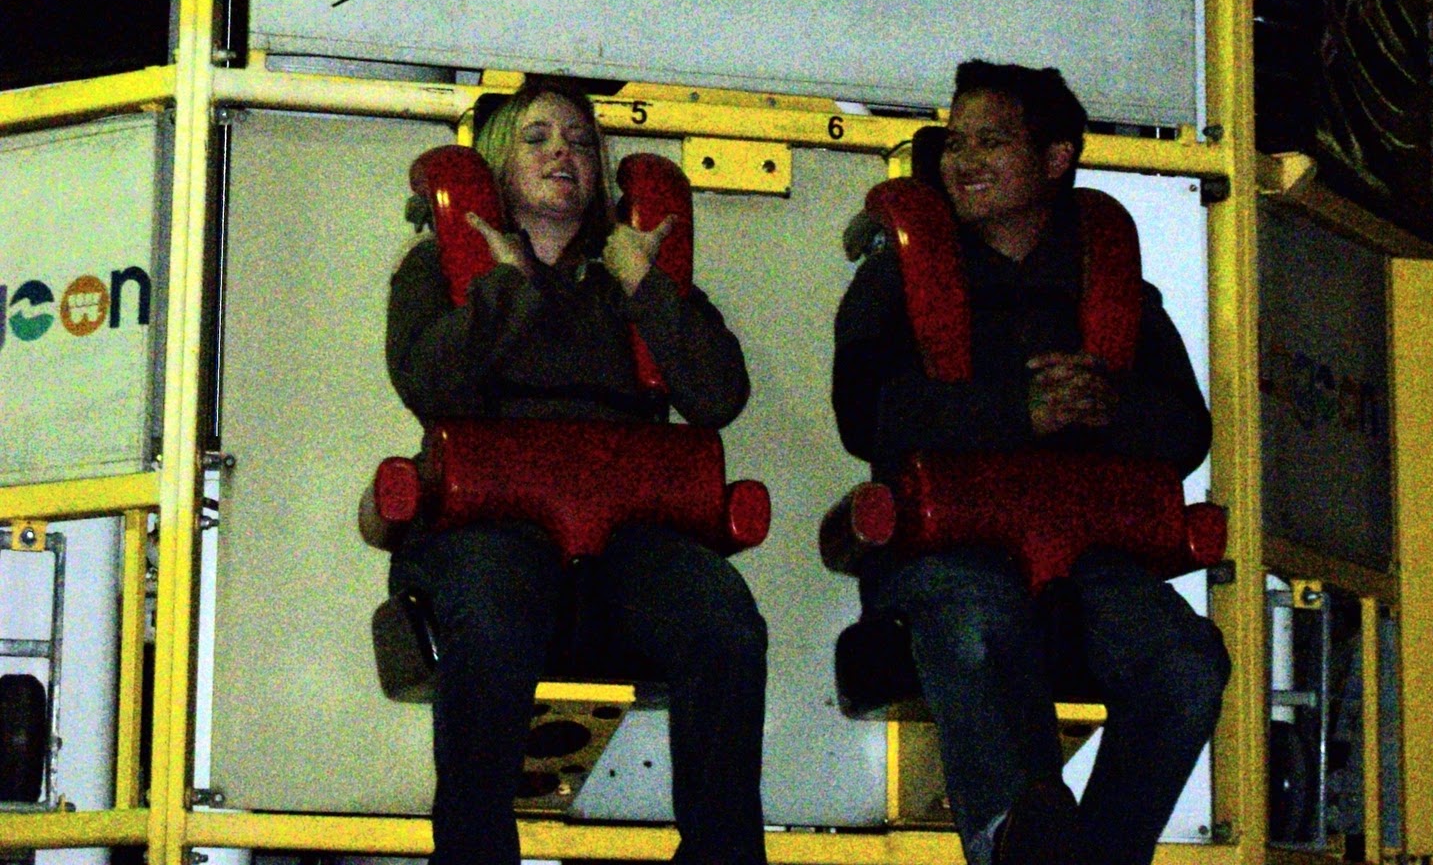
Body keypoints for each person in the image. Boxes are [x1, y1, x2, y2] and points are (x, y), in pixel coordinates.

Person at [832, 60, 1229, 865]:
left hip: (1091, 557)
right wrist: (1018, 410)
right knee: (978, 625)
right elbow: (865, 418)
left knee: (1188, 664)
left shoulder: (1110, 284)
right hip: (947, 550)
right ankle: (1010, 838)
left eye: (992, 142)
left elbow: (1187, 430)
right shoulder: (898, 275)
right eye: (955, 142)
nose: (963, 160)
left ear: (1055, 158)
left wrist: (1108, 408)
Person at [385, 76, 766, 865]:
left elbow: (717, 397)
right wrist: (502, 288)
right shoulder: (441, 267)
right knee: (491, 612)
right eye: (538, 138)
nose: (564, 152)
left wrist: (645, 287)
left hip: (629, 539)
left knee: (726, 623)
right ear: (498, 162)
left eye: (582, 142)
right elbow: (429, 386)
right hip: (492, 528)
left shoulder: (634, 270)